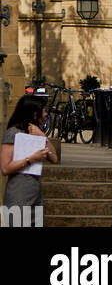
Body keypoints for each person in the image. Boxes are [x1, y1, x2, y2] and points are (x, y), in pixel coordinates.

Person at [0, 94, 58, 224]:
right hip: (18, 195)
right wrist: (31, 159)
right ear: (34, 113)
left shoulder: (36, 133)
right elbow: (5, 168)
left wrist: (42, 136)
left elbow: (54, 158)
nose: (46, 114)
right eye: (43, 111)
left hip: (35, 194)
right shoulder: (13, 133)